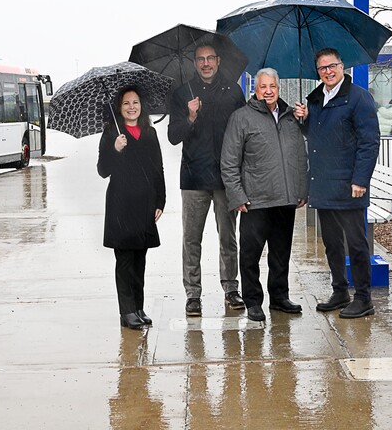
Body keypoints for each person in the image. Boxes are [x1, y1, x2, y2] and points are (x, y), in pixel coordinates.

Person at [294, 48, 380, 319]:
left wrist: (360, 179)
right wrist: (304, 121)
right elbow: (318, 137)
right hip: (323, 184)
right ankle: (340, 290)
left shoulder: (358, 98)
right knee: (331, 242)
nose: (328, 72)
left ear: (342, 66)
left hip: (348, 185)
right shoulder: (317, 98)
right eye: (322, 68)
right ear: (317, 72)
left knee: (356, 243)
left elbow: (369, 142)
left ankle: (364, 297)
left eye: (332, 66)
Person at [221, 68, 308, 322]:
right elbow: (229, 162)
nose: (268, 91)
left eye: (272, 86)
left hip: (286, 198)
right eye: (263, 87)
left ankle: (280, 297)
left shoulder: (291, 118)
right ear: (255, 90)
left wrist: (301, 189)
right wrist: (237, 196)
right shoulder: (241, 118)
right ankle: (253, 301)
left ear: (278, 89)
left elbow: (300, 157)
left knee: (281, 254)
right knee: (250, 255)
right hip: (255, 201)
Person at [168, 43, 246, 316]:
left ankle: (231, 288)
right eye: (200, 59)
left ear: (218, 60)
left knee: (228, 236)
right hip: (193, 177)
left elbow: (244, 131)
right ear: (194, 63)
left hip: (226, 177)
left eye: (210, 58)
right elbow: (173, 136)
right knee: (191, 238)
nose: (205, 63)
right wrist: (189, 116)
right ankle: (192, 295)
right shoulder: (182, 94)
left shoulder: (234, 92)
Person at [98, 85, 166, 330]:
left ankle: (138, 307)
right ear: (120, 107)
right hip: (121, 205)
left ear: (141, 105)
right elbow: (103, 170)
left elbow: (158, 170)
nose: (131, 107)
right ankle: (126, 312)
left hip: (145, 204)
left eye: (135, 102)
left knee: (140, 260)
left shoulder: (150, 133)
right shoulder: (111, 133)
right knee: (125, 261)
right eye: (126, 103)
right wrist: (115, 149)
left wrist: (160, 201)